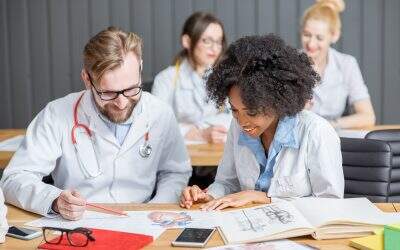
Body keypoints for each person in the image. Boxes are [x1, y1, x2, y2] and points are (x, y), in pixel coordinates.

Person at [0, 27, 192, 220]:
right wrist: (55, 201)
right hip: (79, 223)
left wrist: (155, 208)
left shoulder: (160, 113)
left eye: (132, 89)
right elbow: (14, 178)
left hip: (144, 219)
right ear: (87, 79)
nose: (122, 103)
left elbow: (175, 172)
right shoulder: (56, 114)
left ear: (140, 68)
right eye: (108, 93)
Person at [180, 34, 344, 211]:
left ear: (276, 101)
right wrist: (208, 195)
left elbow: (331, 204)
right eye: (234, 110)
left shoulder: (316, 132)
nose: (242, 121)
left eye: (252, 112)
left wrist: (263, 198)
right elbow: (227, 182)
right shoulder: (237, 127)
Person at [152, 12, 230, 143]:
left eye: (218, 42)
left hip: (217, 159)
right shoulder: (165, 79)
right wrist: (199, 134)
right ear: (187, 41)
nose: (214, 48)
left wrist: (197, 128)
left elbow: (237, 118)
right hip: (180, 159)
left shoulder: (225, 79)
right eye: (207, 41)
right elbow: (156, 125)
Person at [301, 0, 375, 129]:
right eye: (307, 35)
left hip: (334, 137)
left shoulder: (347, 64)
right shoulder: (288, 63)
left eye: (319, 38)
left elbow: (368, 116)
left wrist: (327, 126)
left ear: (334, 35)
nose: (311, 44)